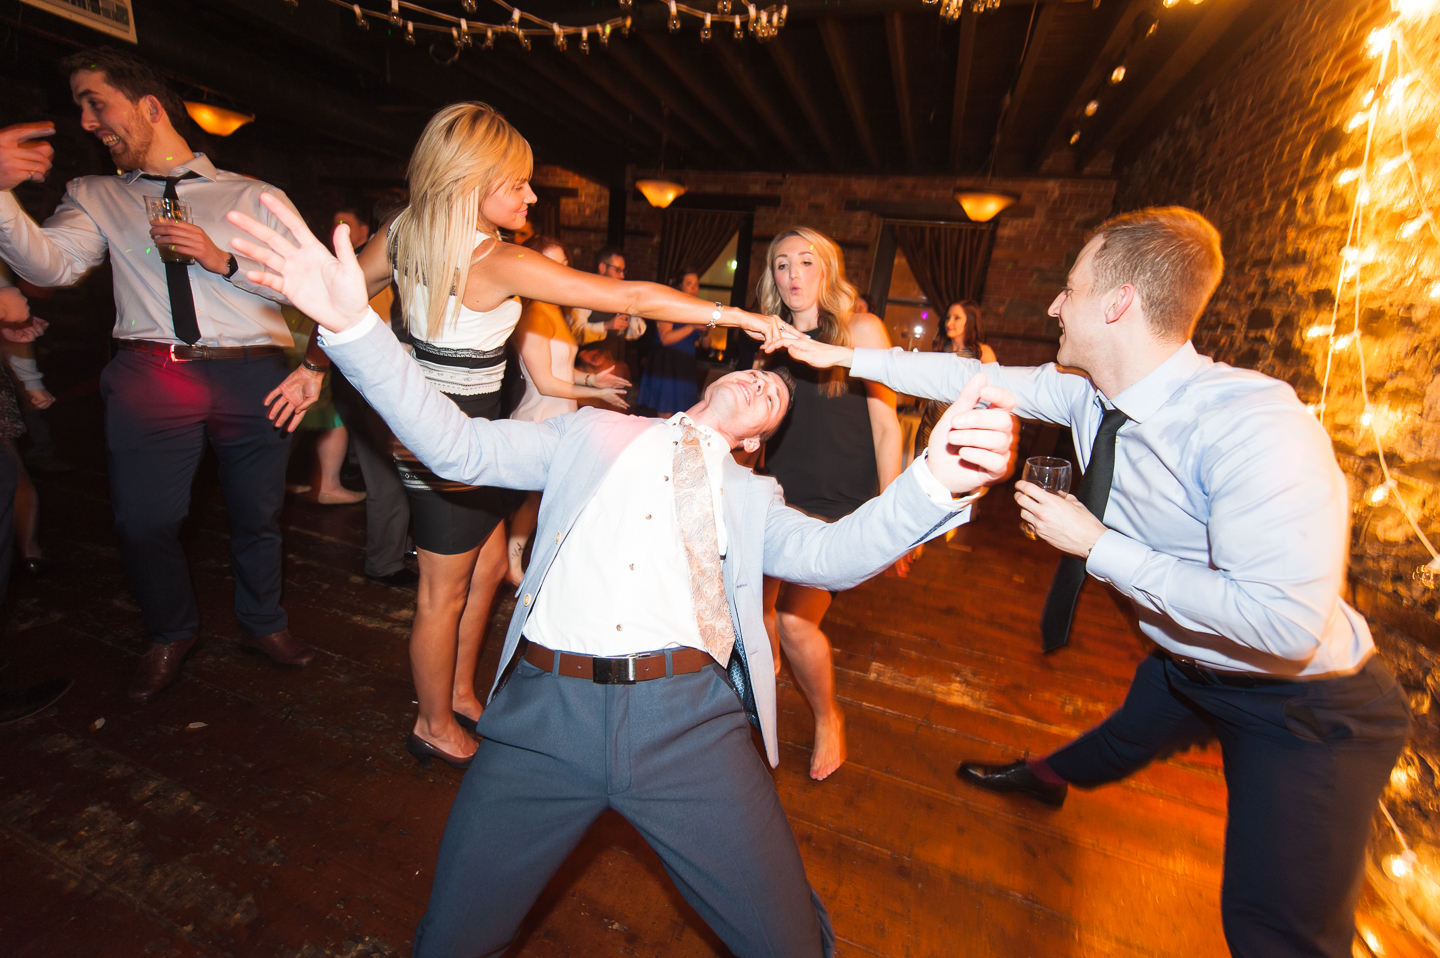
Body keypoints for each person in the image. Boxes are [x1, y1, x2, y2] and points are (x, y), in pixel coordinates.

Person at [226, 187, 1019, 957]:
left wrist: (931, 484)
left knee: (786, 941)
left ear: (755, 441)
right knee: (452, 938)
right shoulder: (588, 432)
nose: (760, 383)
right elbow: (456, 449)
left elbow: (833, 555)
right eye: (756, 373)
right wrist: (352, 327)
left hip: (688, 726)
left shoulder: (751, 494)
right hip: (542, 716)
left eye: (774, 398)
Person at [778, 206, 1411, 958]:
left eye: (1067, 288)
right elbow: (966, 376)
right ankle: (1042, 775)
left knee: (1272, 930)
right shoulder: (1087, 394)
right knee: (1119, 742)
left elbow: (1284, 624)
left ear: (1118, 303)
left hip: (1304, 706)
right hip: (1186, 666)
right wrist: (840, 359)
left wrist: (1099, 546)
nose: (1051, 305)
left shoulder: (1253, 425)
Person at [347, 102, 806, 769]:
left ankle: (461, 692)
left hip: (479, 434)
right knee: (439, 592)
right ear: (470, 182)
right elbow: (631, 300)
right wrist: (729, 310)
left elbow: (342, 297)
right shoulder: (494, 259)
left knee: (485, 571)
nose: (532, 194)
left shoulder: (404, 232)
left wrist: (371, 382)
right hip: (444, 441)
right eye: (517, 183)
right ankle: (432, 722)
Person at [0, 48, 318, 703]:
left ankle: (264, 623)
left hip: (251, 372)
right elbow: (50, 268)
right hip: (150, 375)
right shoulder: (94, 194)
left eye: (96, 102)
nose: (87, 122)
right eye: (80, 107)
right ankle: (171, 631)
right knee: (144, 522)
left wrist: (220, 258)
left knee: (258, 515)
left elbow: (311, 290)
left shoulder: (252, 196)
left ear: (149, 106)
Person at [754, 227, 905, 781]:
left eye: (805, 263)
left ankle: (826, 717)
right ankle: (762, 688)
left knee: (794, 622)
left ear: (828, 270)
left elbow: (888, 428)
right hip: (779, 497)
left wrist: (894, 521)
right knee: (755, 613)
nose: (793, 276)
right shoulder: (769, 342)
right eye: (781, 265)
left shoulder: (860, 331)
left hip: (840, 503)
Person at [505, 234, 628, 585]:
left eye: (564, 264)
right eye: (551, 264)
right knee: (539, 502)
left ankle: (532, 566)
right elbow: (544, 382)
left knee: (544, 502)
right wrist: (597, 397)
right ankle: (516, 565)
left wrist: (593, 383)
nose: (561, 271)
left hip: (563, 418)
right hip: (540, 421)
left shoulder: (554, 312)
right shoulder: (532, 315)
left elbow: (562, 370)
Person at [326, 205, 415, 587]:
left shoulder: (401, 275)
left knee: (400, 473)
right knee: (387, 477)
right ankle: (385, 564)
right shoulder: (372, 275)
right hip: (366, 384)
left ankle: (400, 550)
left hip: (377, 384)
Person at [635, 269, 704, 416]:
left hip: (685, 366)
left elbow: (703, 344)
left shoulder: (695, 309)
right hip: (668, 365)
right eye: (689, 283)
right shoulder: (668, 305)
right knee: (666, 415)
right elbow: (665, 338)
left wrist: (705, 334)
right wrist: (691, 327)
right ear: (680, 286)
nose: (693, 288)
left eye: (696, 284)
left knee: (685, 415)